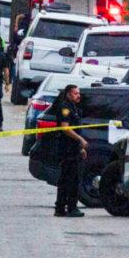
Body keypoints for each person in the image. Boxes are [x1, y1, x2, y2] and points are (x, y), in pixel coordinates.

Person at [54, 84, 88, 218]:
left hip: (74, 149)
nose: (78, 95)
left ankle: (60, 208)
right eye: (75, 93)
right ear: (68, 94)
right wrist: (81, 140)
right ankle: (71, 208)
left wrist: (81, 148)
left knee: (67, 179)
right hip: (67, 149)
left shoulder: (74, 108)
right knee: (71, 180)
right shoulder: (65, 108)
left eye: (78, 93)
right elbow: (65, 128)